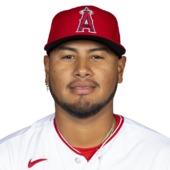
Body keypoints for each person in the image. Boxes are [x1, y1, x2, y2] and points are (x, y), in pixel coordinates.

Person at [0, 5, 170, 170]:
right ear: (46, 68)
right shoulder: (8, 155)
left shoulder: (161, 155)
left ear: (120, 68)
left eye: (96, 56)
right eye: (68, 56)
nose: (82, 70)